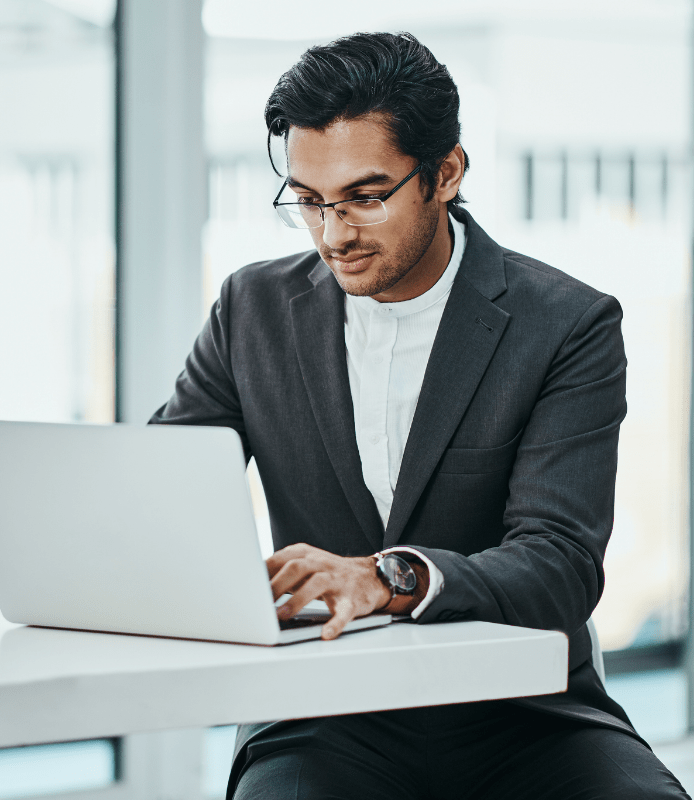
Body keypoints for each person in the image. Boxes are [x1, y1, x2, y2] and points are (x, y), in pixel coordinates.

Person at [150, 32, 689, 800]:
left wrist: (386, 578)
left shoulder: (566, 325)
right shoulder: (252, 311)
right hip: (323, 713)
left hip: (525, 714)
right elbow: (163, 492)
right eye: (308, 202)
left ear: (445, 173)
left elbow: (560, 564)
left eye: (366, 197)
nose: (334, 235)